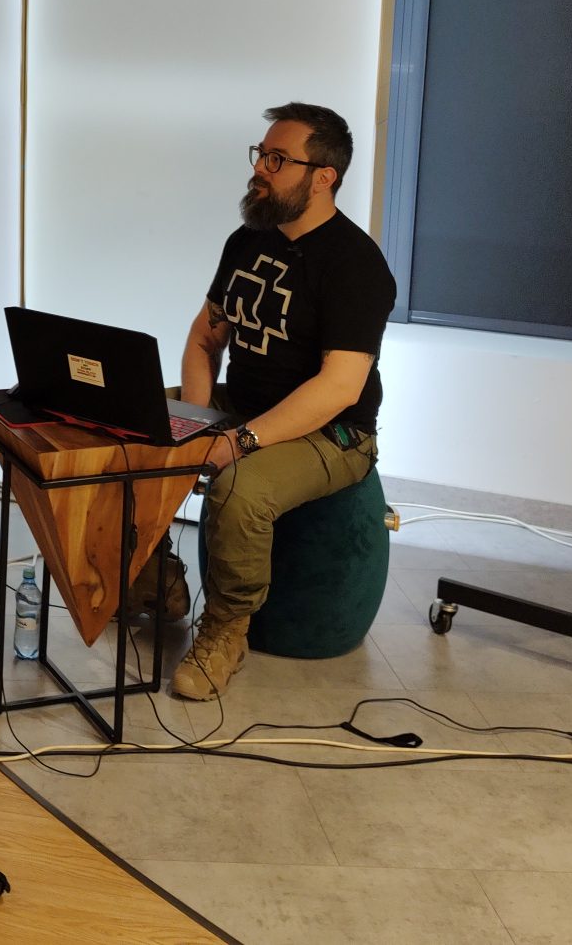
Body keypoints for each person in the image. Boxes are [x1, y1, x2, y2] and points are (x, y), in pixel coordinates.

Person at [170, 102, 396, 701]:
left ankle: (225, 633)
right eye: (260, 155)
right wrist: (194, 421)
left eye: (277, 159)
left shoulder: (356, 265)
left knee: (240, 488)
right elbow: (204, 339)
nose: (259, 169)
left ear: (323, 177)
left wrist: (239, 442)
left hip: (334, 432)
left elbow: (339, 388)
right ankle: (156, 579)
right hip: (243, 403)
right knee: (125, 423)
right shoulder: (247, 241)